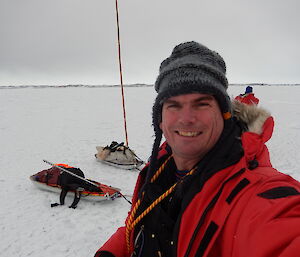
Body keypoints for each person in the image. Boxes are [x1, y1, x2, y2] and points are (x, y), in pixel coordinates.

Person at [94, 41, 300, 257]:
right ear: (160, 120)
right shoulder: (161, 168)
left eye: (202, 104)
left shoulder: (259, 194)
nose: (186, 119)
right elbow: (139, 224)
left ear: (224, 114)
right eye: (173, 105)